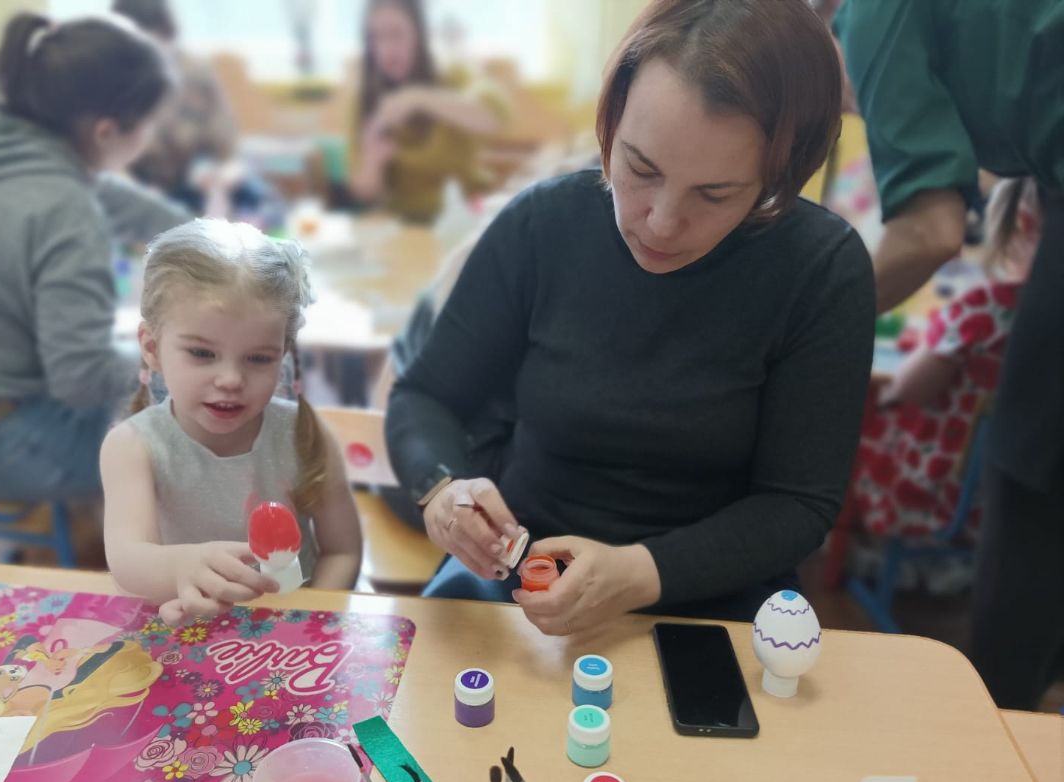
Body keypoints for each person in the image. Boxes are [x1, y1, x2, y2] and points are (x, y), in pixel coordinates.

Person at [384, 0, 875, 635]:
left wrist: (637, 573)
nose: (662, 223)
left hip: (715, 589)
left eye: (715, 194)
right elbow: (425, 396)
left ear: (780, 174)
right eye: (640, 168)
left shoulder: (821, 271)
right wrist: (443, 491)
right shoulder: (543, 225)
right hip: (520, 566)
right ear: (611, 119)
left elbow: (797, 503)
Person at [835, 0, 1063, 710]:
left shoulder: (868, 13)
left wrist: (804, 327)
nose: (857, 110)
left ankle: (998, 728)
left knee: (1026, 479)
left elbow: (929, 231)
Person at [0, 13, 186, 505]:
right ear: (107, 131)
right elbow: (82, 377)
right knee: (218, 404)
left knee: (174, 376)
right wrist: (185, 359)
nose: (150, 137)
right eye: (149, 125)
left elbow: (93, 192)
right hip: (9, 450)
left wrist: (201, 233)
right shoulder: (63, 207)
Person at [100, 219, 362, 626]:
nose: (231, 380)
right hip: (188, 626)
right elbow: (128, 560)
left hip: (296, 632)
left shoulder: (304, 435)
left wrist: (309, 617)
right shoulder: (132, 446)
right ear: (152, 347)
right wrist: (181, 567)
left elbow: (342, 551)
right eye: (202, 354)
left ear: (282, 354)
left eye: (258, 358)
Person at [851, 180, 1039, 569]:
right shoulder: (1044, 316)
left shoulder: (984, 306)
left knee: (859, 418)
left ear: (1018, 224)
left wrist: (918, 354)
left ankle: (853, 552)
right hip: (1006, 494)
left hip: (934, 488)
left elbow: (910, 388)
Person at [111, 0, 281, 223]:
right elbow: (109, 169)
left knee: (261, 200)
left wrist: (218, 184)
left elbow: (229, 156)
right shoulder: (113, 82)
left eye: (154, 46)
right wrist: (138, 195)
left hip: (195, 188)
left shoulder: (197, 73)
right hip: (141, 191)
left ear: (167, 34)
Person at [348, 0, 506, 223]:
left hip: (469, 216)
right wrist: (373, 161)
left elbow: (494, 118)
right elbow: (364, 192)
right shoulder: (366, 98)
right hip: (407, 225)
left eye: (396, 34)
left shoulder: (455, 75)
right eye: (376, 37)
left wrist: (418, 97)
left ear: (420, 35)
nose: (386, 49)